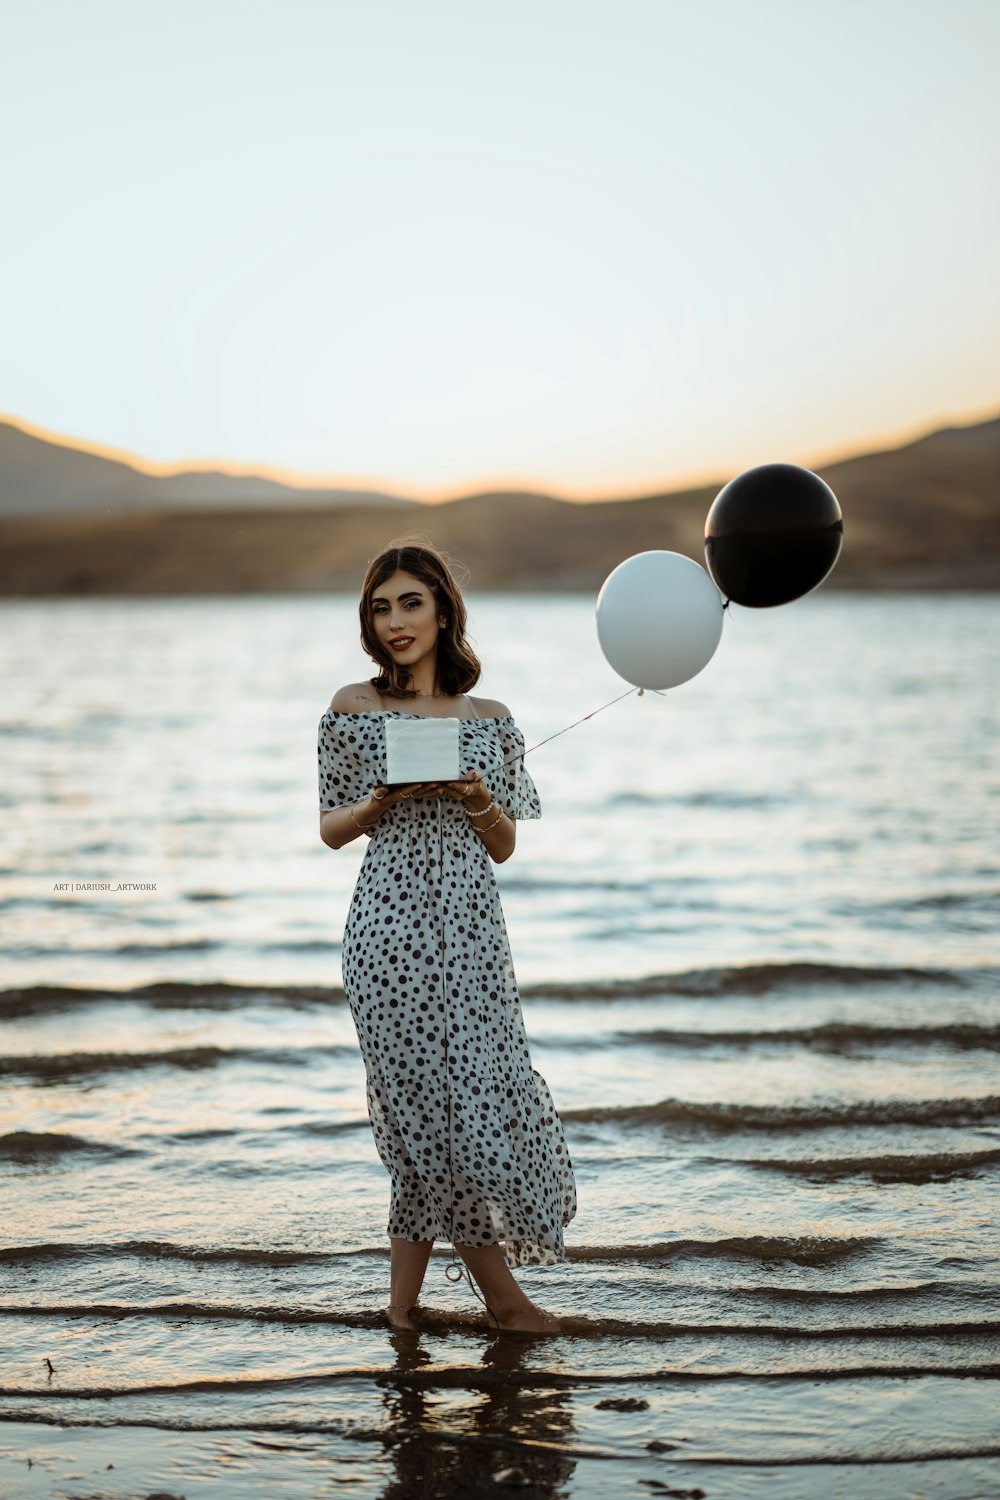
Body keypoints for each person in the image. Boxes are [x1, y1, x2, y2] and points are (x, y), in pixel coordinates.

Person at [318, 541, 576, 1334]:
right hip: (387, 935)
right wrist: (379, 801)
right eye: (381, 606)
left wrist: (472, 794)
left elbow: (503, 845)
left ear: (442, 610)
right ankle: (505, 1301)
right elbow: (330, 828)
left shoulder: (489, 720)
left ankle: (400, 1312)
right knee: (427, 1117)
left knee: (462, 1108)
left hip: (471, 936)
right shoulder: (353, 706)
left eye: (411, 603)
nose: (395, 621)